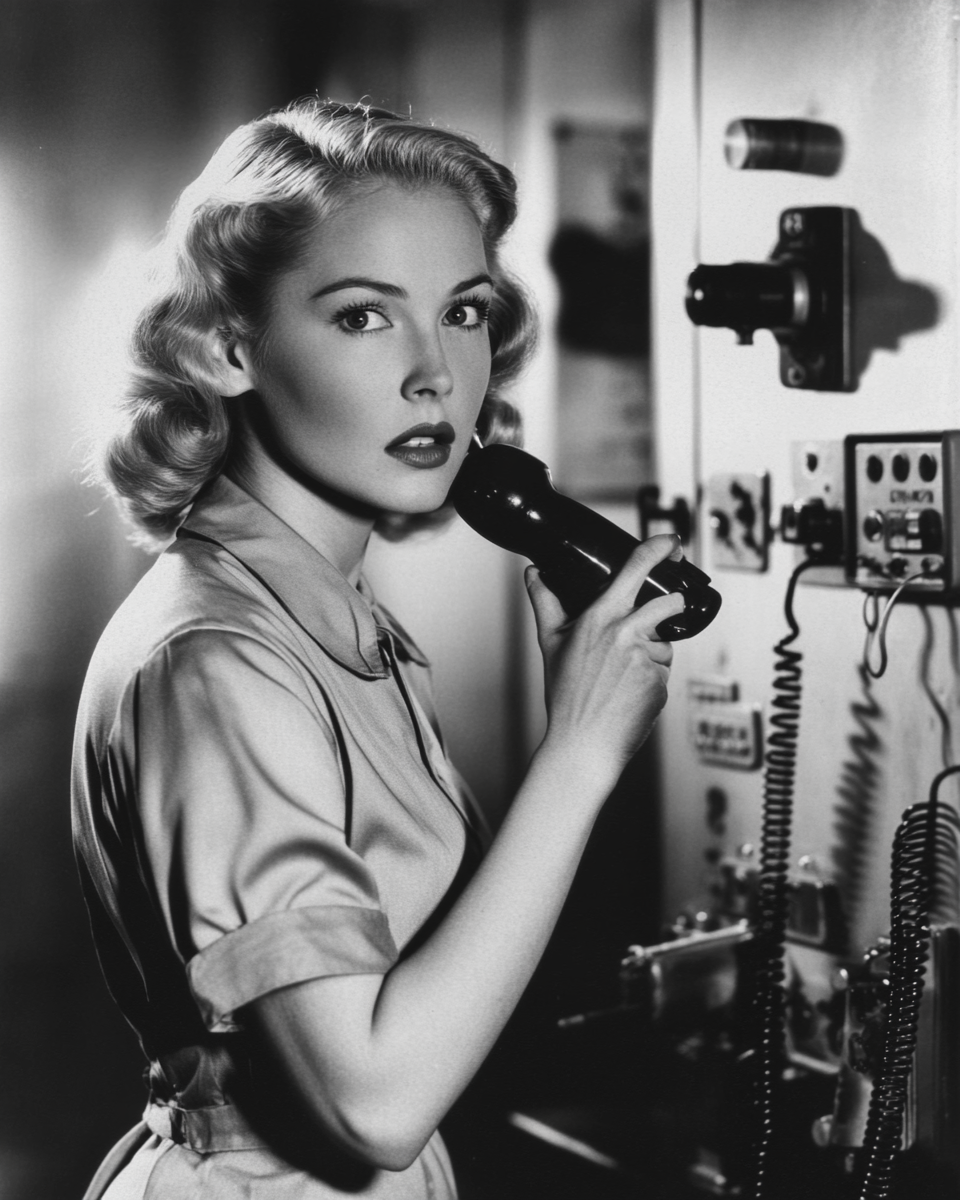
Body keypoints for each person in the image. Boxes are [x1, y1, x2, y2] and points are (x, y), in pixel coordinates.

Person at [72, 97, 685, 1200]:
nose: (437, 375)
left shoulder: (324, 619)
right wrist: (580, 750)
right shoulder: (218, 659)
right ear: (224, 347)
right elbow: (371, 1106)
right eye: (363, 316)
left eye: (463, 313)